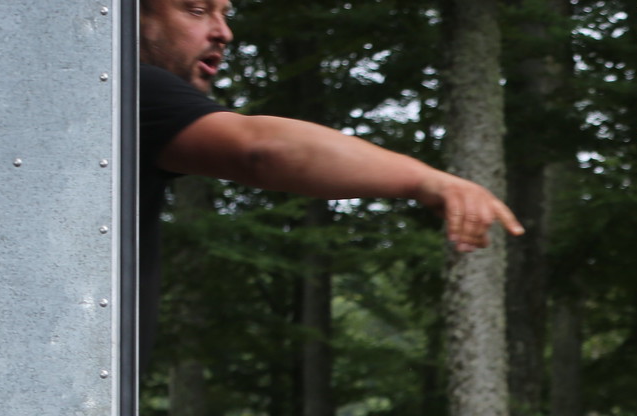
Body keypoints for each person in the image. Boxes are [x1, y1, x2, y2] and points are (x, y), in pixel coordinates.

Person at [138, 0, 520, 354]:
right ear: (132, 17)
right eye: (197, 10)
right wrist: (428, 181)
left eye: (225, 13)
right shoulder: (130, 88)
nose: (224, 32)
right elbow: (260, 149)